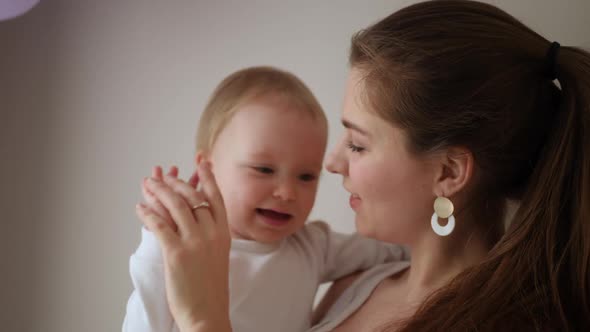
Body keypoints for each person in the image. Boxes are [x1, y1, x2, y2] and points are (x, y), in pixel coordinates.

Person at [136, 0, 590, 331]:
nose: (330, 163)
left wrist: (203, 318)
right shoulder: (358, 285)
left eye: (356, 143)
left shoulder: (507, 322)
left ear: (449, 173)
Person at [123, 66, 407, 332]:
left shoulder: (313, 245)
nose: (286, 192)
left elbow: (392, 251)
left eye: (306, 177)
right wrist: (158, 242)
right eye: (264, 170)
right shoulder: (180, 251)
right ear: (206, 168)